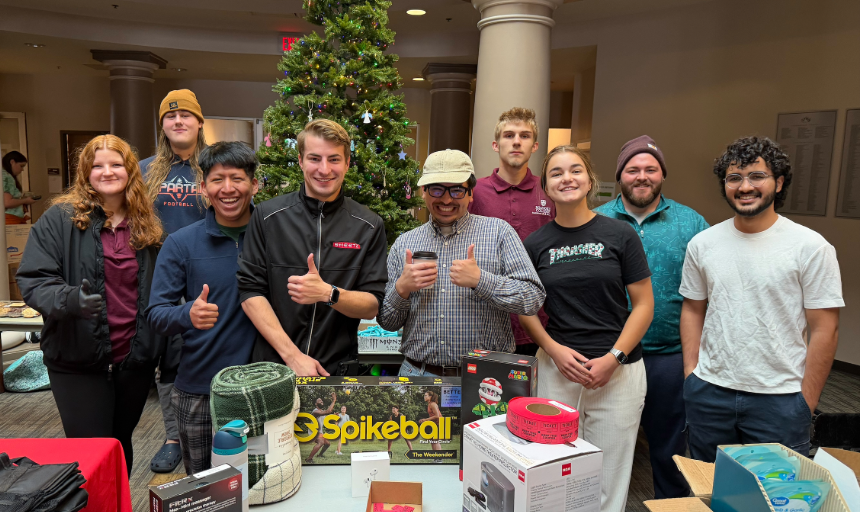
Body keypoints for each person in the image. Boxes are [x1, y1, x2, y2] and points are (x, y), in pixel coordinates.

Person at [680, 136, 843, 462]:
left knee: (775, 498)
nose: (745, 186)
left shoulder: (810, 247)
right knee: (707, 493)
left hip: (780, 399)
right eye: (734, 178)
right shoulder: (703, 243)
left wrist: (805, 402)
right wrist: (691, 376)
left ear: (779, 183)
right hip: (710, 393)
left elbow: (825, 329)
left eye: (757, 176)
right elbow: (693, 309)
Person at [16, 134, 164, 476]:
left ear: (129, 170)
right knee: (89, 451)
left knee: (118, 444)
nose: (107, 172)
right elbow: (34, 279)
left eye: (116, 164)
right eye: (97, 166)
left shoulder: (148, 223)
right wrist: (70, 300)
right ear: (85, 173)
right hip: (77, 359)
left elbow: (160, 290)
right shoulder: (58, 220)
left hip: (134, 359)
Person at [519, 145, 653, 512]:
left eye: (575, 170)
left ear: (590, 180)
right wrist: (553, 349)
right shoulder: (536, 244)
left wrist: (614, 357)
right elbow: (526, 307)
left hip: (618, 371)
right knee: (553, 469)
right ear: (545, 187)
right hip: (558, 368)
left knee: (609, 472)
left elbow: (644, 305)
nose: (567, 178)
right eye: (557, 173)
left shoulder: (620, 234)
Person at [593, 135, 708, 499]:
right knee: (604, 448)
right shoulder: (597, 220)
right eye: (632, 169)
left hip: (669, 355)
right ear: (620, 175)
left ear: (662, 175)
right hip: (610, 355)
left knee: (670, 449)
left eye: (650, 169)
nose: (641, 176)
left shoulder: (691, 223)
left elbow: (709, 290)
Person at [237, 119, 388, 377]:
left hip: (337, 371)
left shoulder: (369, 225)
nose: (324, 169)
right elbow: (250, 292)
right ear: (300, 161)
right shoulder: (267, 216)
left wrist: (329, 293)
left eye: (334, 159)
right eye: (315, 158)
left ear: (348, 163)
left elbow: (373, 304)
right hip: (274, 369)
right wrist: (293, 357)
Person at [377, 149, 545, 376]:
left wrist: (481, 280)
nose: (446, 199)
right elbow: (387, 322)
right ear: (424, 192)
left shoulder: (499, 233)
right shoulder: (405, 243)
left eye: (457, 190)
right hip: (418, 375)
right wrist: (402, 289)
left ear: (470, 193)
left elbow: (532, 299)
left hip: (486, 379)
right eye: (437, 189)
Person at [145, 142, 259, 474]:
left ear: (254, 184)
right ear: (202, 188)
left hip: (262, 387)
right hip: (200, 392)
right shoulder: (181, 242)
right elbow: (156, 313)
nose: (227, 189)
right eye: (217, 179)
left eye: (237, 178)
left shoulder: (272, 236)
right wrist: (187, 315)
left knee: (264, 486)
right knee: (207, 492)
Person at [141, 89, 208, 473]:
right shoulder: (145, 169)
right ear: (163, 125)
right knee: (167, 357)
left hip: (206, 271)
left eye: (186, 115)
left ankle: (210, 429)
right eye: (170, 116)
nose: (178, 121)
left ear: (199, 123)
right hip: (159, 273)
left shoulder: (213, 166)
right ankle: (172, 437)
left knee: (199, 349)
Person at [469, 108, 554, 357]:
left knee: (531, 396)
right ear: (496, 145)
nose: (516, 141)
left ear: (535, 145)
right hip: (486, 319)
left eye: (525, 136)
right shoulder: (475, 192)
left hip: (539, 322)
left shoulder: (549, 192)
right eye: (509, 135)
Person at [2, 151, 38, 224]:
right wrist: (26, 200)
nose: (22, 169)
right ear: (12, 162)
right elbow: (7, 202)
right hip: (10, 219)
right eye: (21, 166)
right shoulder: (7, 177)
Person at [306, 392, 337, 463]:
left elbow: (326, 416)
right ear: (316, 404)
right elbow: (328, 411)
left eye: (322, 401)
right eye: (319, 401)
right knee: (321, 442)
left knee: (327, 444)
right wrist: (334, 400)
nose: (321, 401)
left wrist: (334, 415)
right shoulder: (315, 412)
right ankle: (309, 459)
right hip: (313, 431)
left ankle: (320, 455)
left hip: (319, 432)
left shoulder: (321, 411)